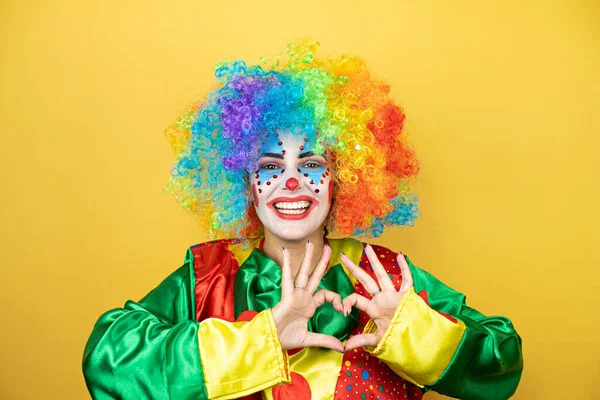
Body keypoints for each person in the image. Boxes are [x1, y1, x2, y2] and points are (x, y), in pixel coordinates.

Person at [82, 38, 523, 400]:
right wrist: (258, 340)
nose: (290, 183)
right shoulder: (208, 279)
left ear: (342, 180)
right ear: (247, 185)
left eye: (310, 165)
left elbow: (503, 359)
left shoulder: (384, 279)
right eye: (271, 167)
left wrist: (414, 334)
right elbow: (106, 359)